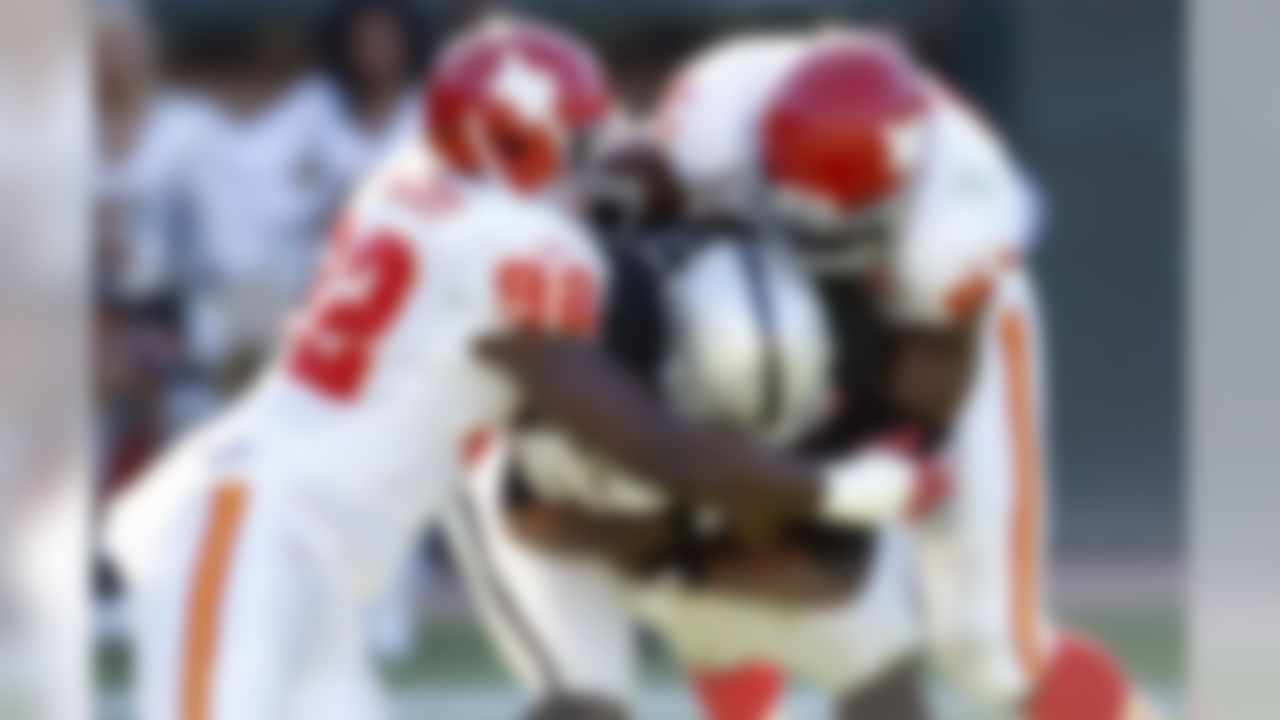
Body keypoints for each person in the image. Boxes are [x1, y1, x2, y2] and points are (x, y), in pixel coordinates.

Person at [644, 28, 1164, 720]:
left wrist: (876, 464)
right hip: (755, 321)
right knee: (714, 589)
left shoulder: (963, 217)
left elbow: (936, 365)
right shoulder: (707, 124)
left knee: (989, 647)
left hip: (933, 336)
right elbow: (631, 248)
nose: (817, 237)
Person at [104, 18, 615, 719]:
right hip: (254, 528)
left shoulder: (402, 186)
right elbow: (629, 430)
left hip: (308, 560)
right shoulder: (523, 244)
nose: (585, 163)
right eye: (575, 139)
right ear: (514, 138)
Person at [452, 226, 936, 720]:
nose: (741, 447)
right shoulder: (597, 348)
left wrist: (692, 565)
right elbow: (528, 516)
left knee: (883, 678)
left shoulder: (855, 366)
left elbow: (840, 569)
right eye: (723, 426)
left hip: (697, 542)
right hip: (583, 520)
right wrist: (670, 535)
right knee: (585, 704)